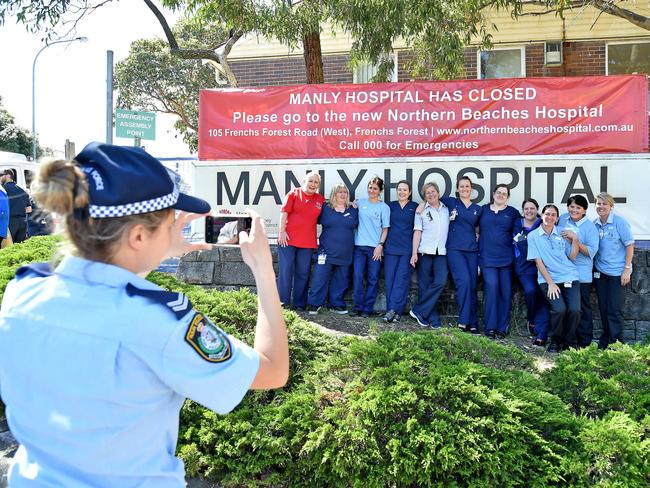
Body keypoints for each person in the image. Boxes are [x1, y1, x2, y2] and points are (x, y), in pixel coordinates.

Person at [0, 142, 288, 486]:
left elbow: (110, 292)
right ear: (138, 235)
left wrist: (151, 251)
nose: (176, 228)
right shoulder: (160, 323)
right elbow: (272, 370)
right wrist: (263, 270)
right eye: (169, 222)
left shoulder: (24, 291)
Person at [527, 204, 580, 353]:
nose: (550, 217)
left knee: (575, 310)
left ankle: (569, 342)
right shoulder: (533, 236)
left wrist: (575, 239)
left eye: (553, 215)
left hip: (569, 276)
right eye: (547, 214)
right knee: (559, 310)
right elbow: (538, 262)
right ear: (542, 215)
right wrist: (550, 283)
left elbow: (573, 256)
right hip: (548, 280)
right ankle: (556, 341)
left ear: (556, 218)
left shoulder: (562, 234)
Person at [307, 183, 358, 314]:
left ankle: (336, 304)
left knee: (341, 279)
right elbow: (309, 219)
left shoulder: (353, 209)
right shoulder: (325, 208)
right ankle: (314, 304)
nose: (342, 194)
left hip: (345, 252)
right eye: (339, 191)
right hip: (326, 251)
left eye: (345, 192)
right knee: (320, 277)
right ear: (333, 194)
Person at [277, 171, 325, 311]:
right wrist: (282, 232)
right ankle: (282, 303)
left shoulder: (320, 199)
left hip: (307, 242)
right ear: (304, 181)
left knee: (303, 273)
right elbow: (283, 212)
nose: (313, 184)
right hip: (288, 240)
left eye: (316, 182)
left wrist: (351, 204)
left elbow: (334, 208)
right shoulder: (293, 193)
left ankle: (299, 304)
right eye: (310, 181)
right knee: (286, 271)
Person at [592, 192, 635, 349]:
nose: (601, 206)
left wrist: (627, 269)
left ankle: (616, 343)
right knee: (603, 308)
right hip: (600, 273)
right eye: (598, 204)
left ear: (611, 206)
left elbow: (630, 246)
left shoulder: (619, 223)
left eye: (604, 204)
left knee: (614, 310)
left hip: (617, 273)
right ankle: (606, 341)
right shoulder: (594, 224)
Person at [440, 176, 482, 333]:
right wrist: (421, 206)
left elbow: (479, 228)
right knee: (463, 282)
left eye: (467, 186)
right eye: (462, 186)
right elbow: (432, 197)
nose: (464, 189)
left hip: (472, 251)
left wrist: (476, 235)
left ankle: (473, 323)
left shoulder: (478, 208)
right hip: (454, 250)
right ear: (457, 189)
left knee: (471, 286)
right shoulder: (451, 202)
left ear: (471, 189)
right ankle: (464, 320)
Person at [478, 184, 520, 339]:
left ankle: (502, 328)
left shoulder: (513, 213)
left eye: (504, 193)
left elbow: (520, 231)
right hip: (487, 259)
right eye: (498, 192)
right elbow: (475, 227)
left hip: (506, 260)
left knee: (505, 293)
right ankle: (490, 327)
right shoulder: (483, 210)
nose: (501, 195)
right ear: (493, 194)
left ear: (508, 197)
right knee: (491, 289)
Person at [557, 195, 599, 347]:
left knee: (582, 308)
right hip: (562, 273)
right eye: (572, 206)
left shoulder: (590, 227)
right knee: (567, 309)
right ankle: (568, 341)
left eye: (578, 207)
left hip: (581, 275)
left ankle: (584, 342)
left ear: (584, 210)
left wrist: (575, 239)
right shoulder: (562, 219)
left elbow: (591, 252)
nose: (574, 210)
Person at [409, 182, 449, 328]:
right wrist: (414, 253)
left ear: (438, 193)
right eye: (427, 193)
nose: (431, 194)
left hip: (442, 252)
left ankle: (418, 310)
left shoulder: (447, 209)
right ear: (424, 197)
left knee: (440, 281)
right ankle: (433, 319)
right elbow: (417, 232)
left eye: (433, 191)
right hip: (425, 251)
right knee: (425, 286)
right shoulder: (421, 211)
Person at [513, 198, 550, 346]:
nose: (529, 211)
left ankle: (541, 332)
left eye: (532, 208)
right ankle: (531, 317)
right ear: (523, 211)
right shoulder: (516, 224)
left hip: (542, 267)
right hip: (523, 267)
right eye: (526, 209)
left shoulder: (542, 223)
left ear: (537, 210)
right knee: (530, 291)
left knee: (543, 296)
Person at [353, 176, 390, 317]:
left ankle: (367, 309)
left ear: (380, 191)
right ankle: (358, 307)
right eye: (370, 187)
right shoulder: (360, 203)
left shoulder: (384, 207)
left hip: (375, 249)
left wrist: (380, 245)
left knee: (373, 279)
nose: (372, 190)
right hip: (359, 247)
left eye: (375, 188)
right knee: (357, 276)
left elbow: (385, 229)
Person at [383, 180, 418, 323]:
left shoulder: (415, 207)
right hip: (391, 248)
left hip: (407, 250)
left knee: (401, 280)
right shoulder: (389, 206)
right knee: (390, 280)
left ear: (409, 192)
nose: (402, 192)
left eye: (405, 190)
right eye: (399, 189)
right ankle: (394, 311)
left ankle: (393, 310)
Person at [1, 169, 31, 243]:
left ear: (8, 176)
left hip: (11, 222)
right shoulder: (22, 190)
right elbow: (29, 209)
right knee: (19, 247)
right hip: (23, 222)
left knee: (9, 248)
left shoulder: (3, 190)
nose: (0, 177)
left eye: (2, 175)